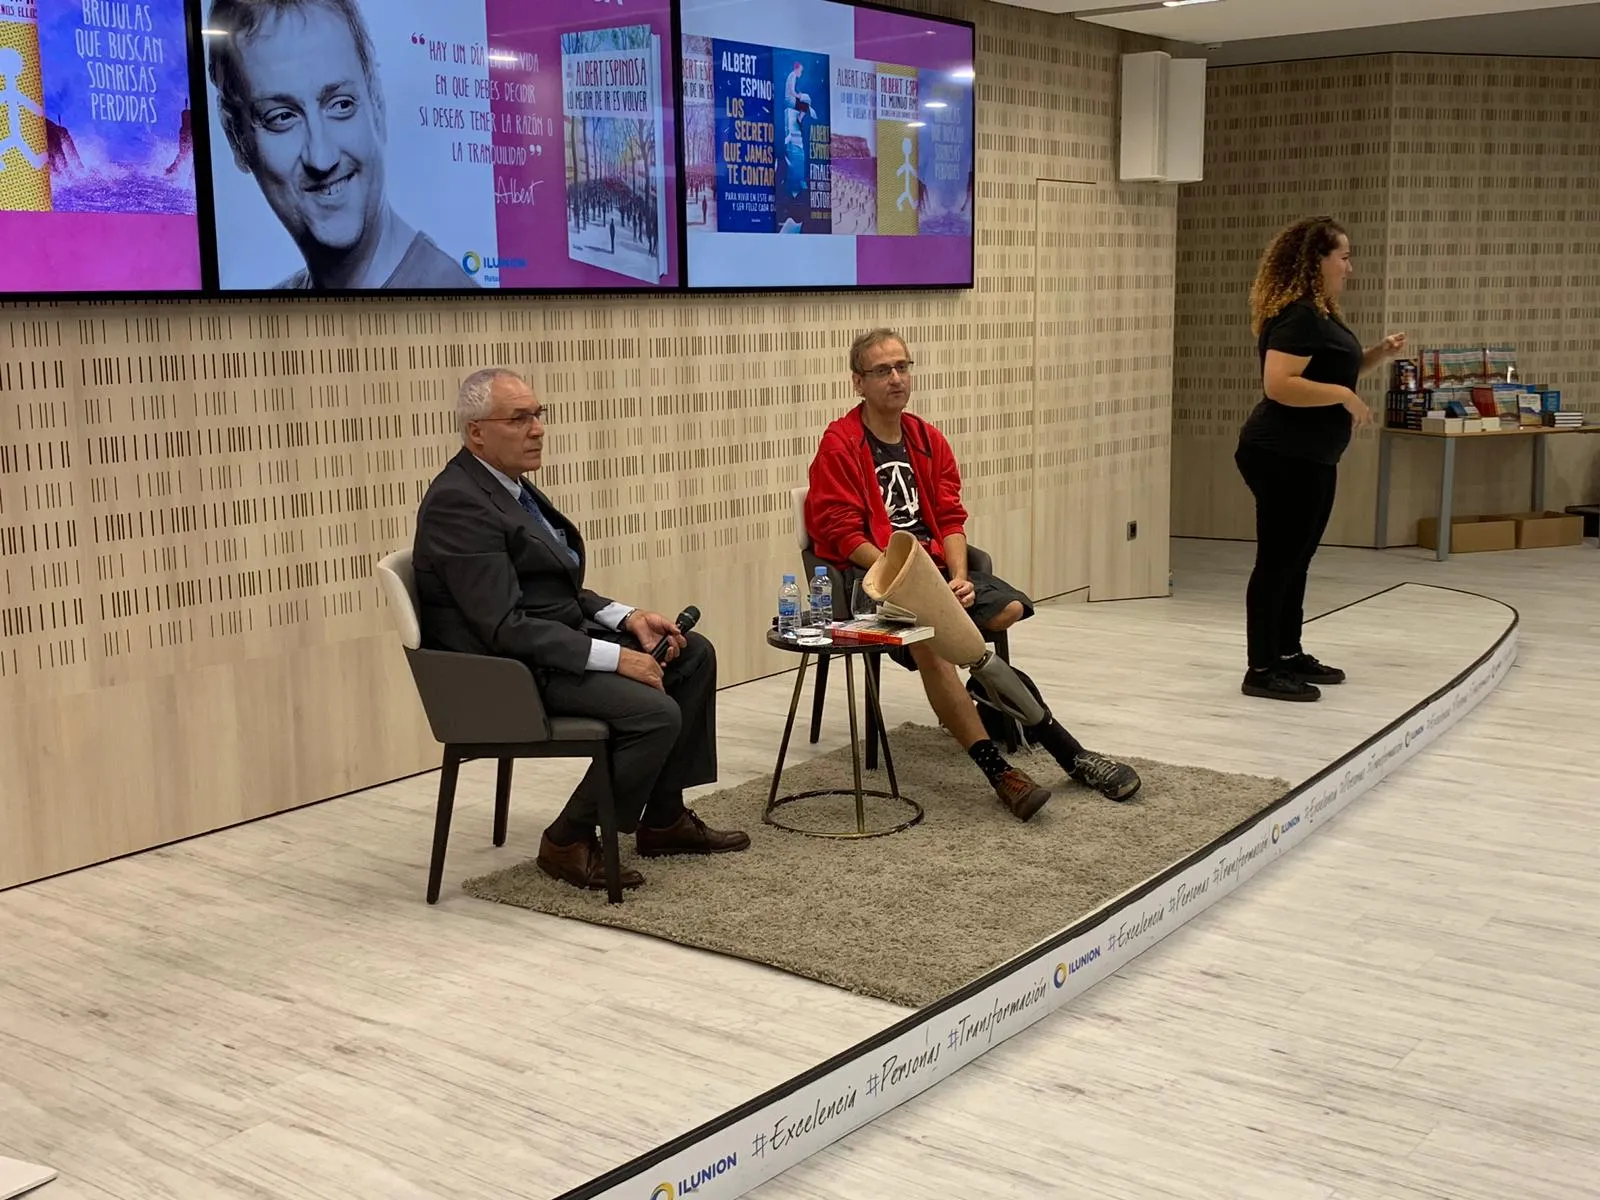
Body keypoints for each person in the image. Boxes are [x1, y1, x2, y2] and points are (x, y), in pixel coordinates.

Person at [412, 368, 749, 892]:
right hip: (507, 672)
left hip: (546, 648)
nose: (537, 429)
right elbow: (504, 626)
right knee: (654, 714)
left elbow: (553, 588)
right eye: (518, 419)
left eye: (538, 414)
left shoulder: (505, 486)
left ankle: (663, 820)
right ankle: (566, 838)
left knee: (692, 654)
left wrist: (627, 617)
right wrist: (618, 658)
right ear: (476, 431)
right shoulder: (459, 503)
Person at [805, 329, 1142, 820]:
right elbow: (838, 533)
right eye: (882, 370)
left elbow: (950, 517)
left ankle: (991, 704)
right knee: (933, 645)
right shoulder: (840, 444)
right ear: (858, 382)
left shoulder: (926, 438)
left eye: (903, 366)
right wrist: (906, 577)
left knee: (1005, 610)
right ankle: (1018, 766)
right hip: (880, 581)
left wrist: (958, 577)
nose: (896, 378)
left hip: (938, 572)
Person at [1235, 216, 1406, 702]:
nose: (1350, 267)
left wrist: (1377, 353)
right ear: (1317, 261)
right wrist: (1345, 397)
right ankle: (1261, 668)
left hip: (1312, 455)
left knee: (1298, 558)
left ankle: (1288, 652)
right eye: (1344, 257)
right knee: (1278, 561)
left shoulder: (1321, 314)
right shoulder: (1299, 316)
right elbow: (1280, 384)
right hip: (1281, 453)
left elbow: (1335, 369)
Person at [205, 0, 478, 290]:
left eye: (341, 104)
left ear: (377, 103)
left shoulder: (449, 300)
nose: (321, 158)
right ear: (236, 138)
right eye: (282, 117)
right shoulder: (272, 303)